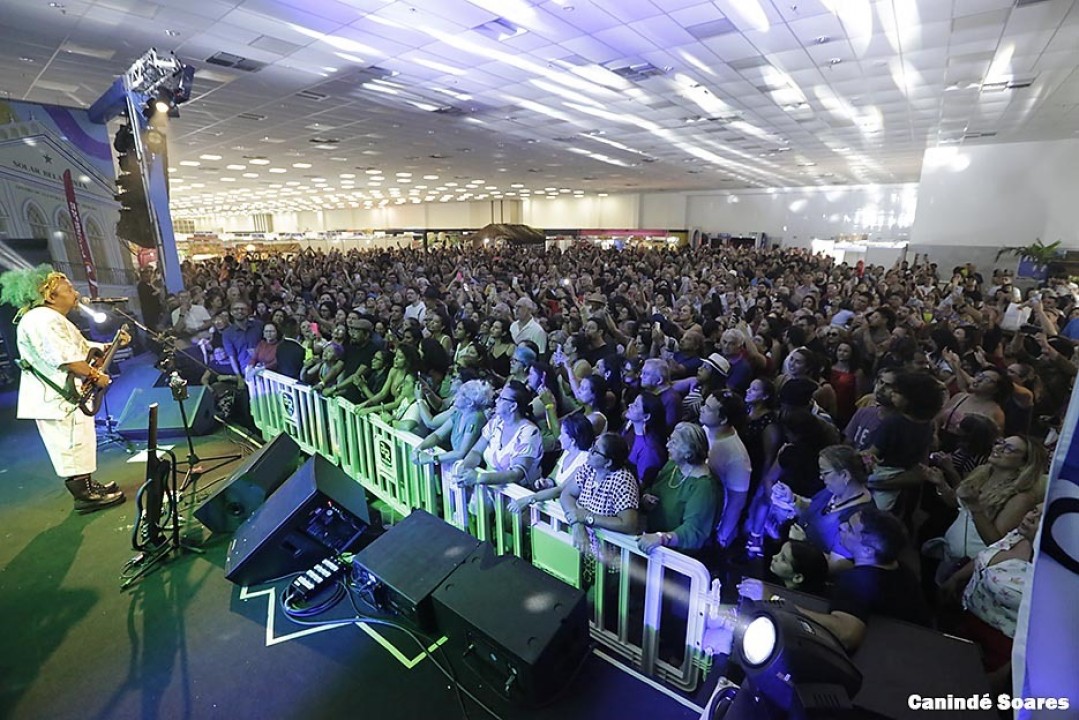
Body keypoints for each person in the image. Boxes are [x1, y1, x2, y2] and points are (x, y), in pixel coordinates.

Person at [1, 266, 129, 513]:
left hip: (63, 398)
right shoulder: (42, 319)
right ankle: (85, 496)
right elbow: (67, 359)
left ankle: (89, 486)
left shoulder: (50, 319)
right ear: (50, 296)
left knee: (78, 441)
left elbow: (79, 347)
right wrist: (95, 375)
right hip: (56, 399)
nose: (74, 291)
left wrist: (108, 345)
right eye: (68, 288)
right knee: (71, 445)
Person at [940, 504, 1042, 689]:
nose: (1030, 517)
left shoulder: (1051, 574)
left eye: (1041, 518)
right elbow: (986, 558)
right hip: (966, 624)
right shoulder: (1018, 536)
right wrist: (956, 578)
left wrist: (1002, 676)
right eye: (1034, 510)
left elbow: (1043, 638)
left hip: (999, 649)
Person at [925, 435, 1046, 583]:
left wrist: (976, 507)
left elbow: (995, 542)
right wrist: (941, 483)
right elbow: (957, 503)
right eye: (1000, 442)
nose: (998, 448)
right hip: (950, 555)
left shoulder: (1021, 497)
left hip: (972, 567)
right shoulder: (981, 473)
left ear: (1024, 463)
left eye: (1009, 448)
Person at [770, 444, 875, 570]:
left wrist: (804, 545)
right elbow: (813, 509)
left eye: (825, 473)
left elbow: (837, 566)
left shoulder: (858, 518)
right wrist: (792, 499)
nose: (821, 477)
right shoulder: (833, 490)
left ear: (844, 475)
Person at [638, 422, 720, 556]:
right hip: (652, 543)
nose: (667, 445)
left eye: (674, 443)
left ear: (689, 452)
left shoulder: (704, 487)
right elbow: (653, 489)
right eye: (669, 440)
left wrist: (662, 538)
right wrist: (646, 498)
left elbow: (693, 531)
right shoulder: (673, 465)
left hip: (676, 556)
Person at [559, 433, 639, 563]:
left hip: (609, 558)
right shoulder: (589, 467)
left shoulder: (623, 480)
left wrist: (589, 518)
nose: (590, 452)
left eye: (595, 451)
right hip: (584, 547)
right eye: (592, 447)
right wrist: (577, 524)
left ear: (608, 462)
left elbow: (629, 524)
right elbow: (567, 494)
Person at [509, 413, 595, 512]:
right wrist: (547, 483)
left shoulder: (585, 461)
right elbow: (553, 478)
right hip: (555, 506)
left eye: (562, 434)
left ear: (572, 440)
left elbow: (561, 490)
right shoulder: (567, 452)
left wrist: (529, 499)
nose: (559, 438)